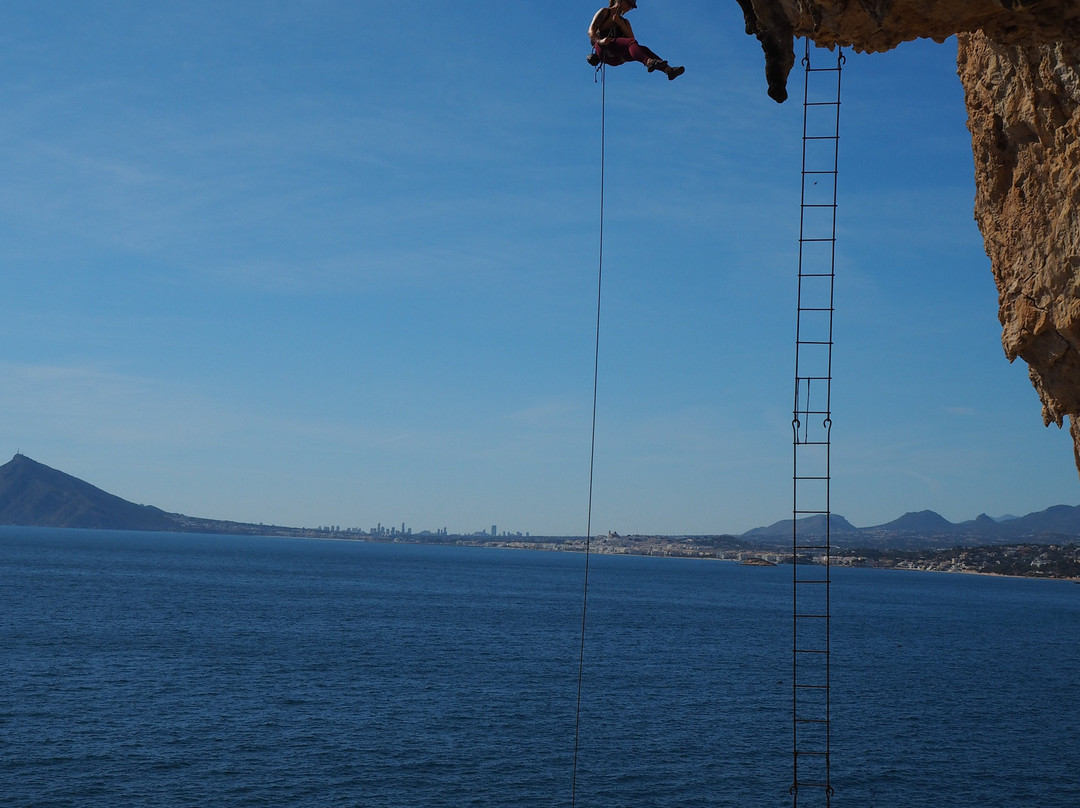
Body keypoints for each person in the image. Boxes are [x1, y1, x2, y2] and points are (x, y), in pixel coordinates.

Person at [588, 0, 684, 80]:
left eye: (632, 6)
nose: (629, 8)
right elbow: (591, 31)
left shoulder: (625, 22)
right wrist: (600, 41)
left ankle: (669, 70)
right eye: (629, 4)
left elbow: (632, 40)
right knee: (632, 44)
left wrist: (620, 24)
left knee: (643, 49)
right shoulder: (605, 12)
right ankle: (649, 62)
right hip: (603, 50)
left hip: (616, 58)